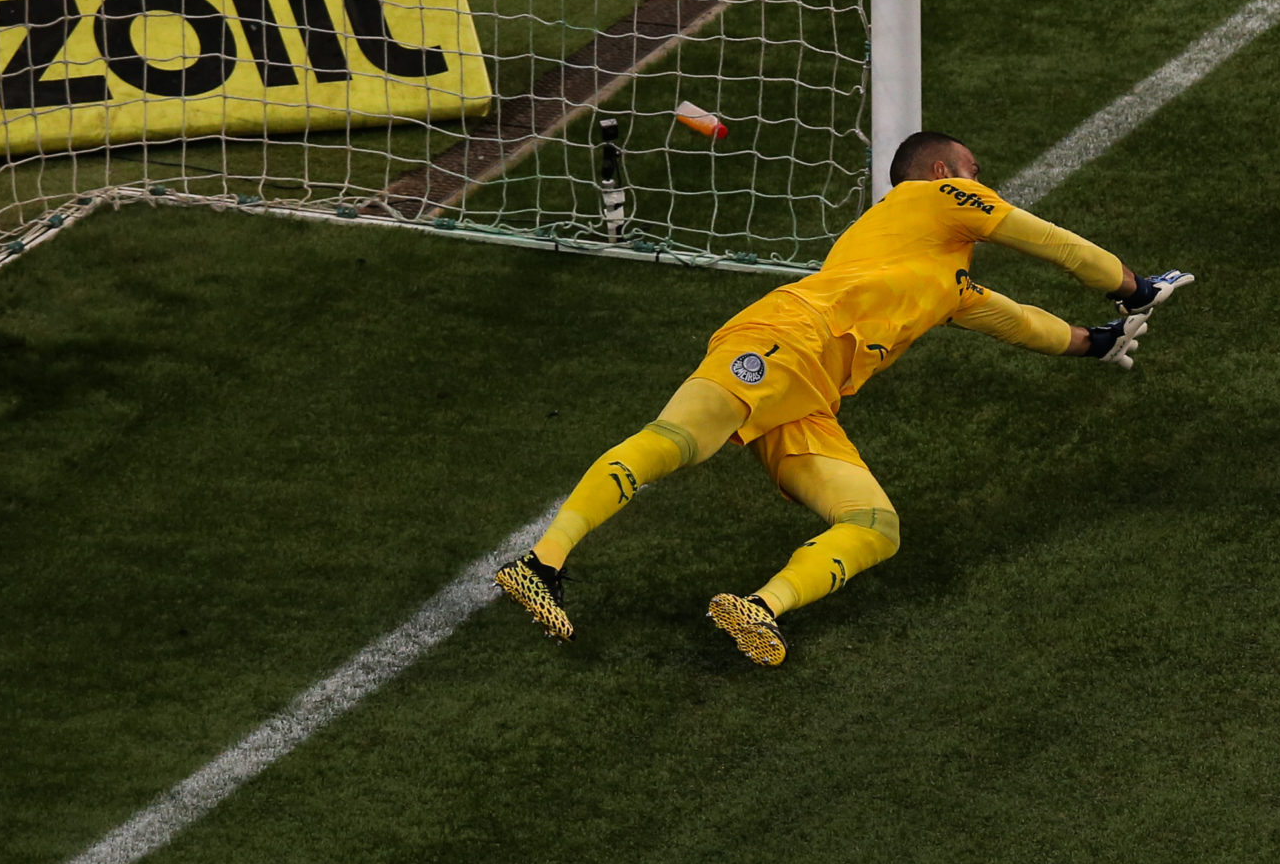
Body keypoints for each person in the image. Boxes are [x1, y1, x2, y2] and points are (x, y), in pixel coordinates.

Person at [495, 130, 1194, 666]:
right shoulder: (934, 196)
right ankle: (540, 564)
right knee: (678, 441)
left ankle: (757, 606)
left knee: (873, 525)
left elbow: (1015, 319)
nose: (988, 188)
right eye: (978, 175)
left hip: (812, 394)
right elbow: (1047, 241)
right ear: (944, 173)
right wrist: (1132, 288)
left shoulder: (941, 279)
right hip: (789, 336)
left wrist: (1093, 343)